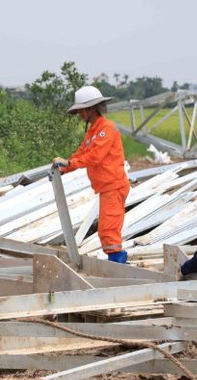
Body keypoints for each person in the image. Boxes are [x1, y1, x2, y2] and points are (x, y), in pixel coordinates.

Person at [53, 85, 130, 263]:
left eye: (81, 111)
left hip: (114, 186)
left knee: (108, 229)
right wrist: (65, 167)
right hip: (107, 187)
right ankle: (117, 261)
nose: (80, 115)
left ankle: (118, 263)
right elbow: (82, 153)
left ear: (90, 109)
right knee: (107, 228)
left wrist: (70, 163)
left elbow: (95, 156)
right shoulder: (93, 131)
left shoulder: (106, 129)